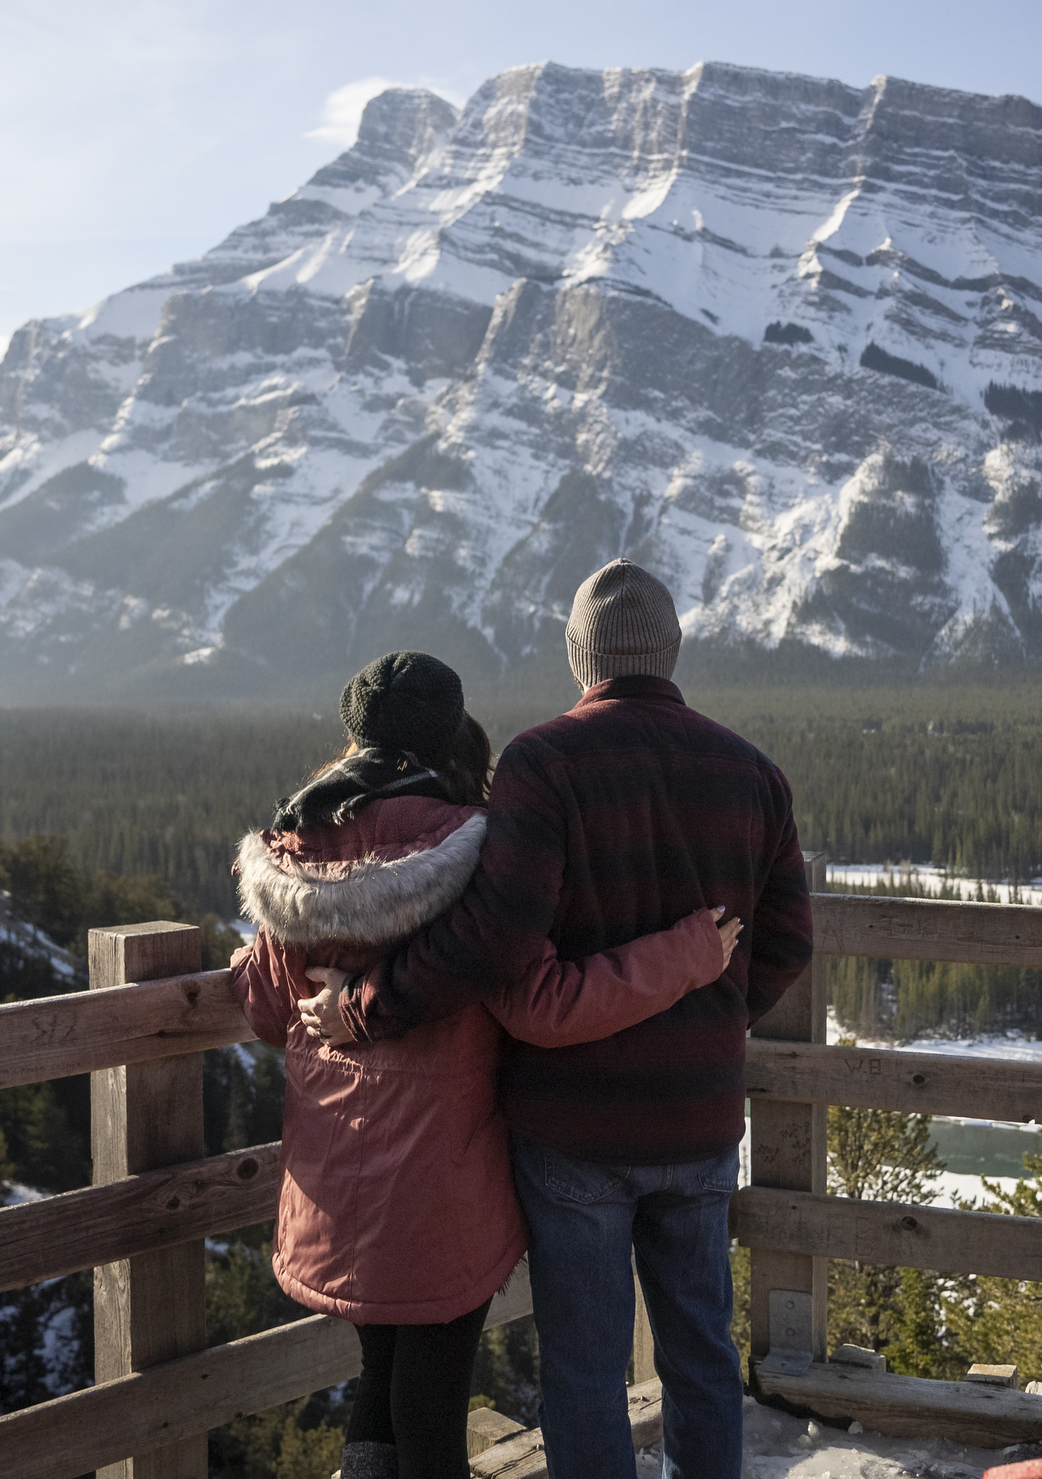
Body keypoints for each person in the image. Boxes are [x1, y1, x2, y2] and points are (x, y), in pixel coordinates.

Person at [299, 562, 814, 1479]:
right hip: (698, 1123)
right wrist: (705, 1022)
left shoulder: (541, 765)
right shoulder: (753, 775)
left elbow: (491, 941)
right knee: (703, 1354)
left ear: (581, 654)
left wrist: (366, 1009)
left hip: (573, 1128)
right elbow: (784, 945)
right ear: (673, 650)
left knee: (584, 1364)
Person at [228, 650, 739, 1479]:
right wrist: (687, 953)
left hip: (334, 1180)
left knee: (380, 1376)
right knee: (431, 1402)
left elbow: (259, 1004)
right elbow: (544, 1004)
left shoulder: (295, 849)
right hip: (442, 1185)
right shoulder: (476, 854)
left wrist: (331, 989)